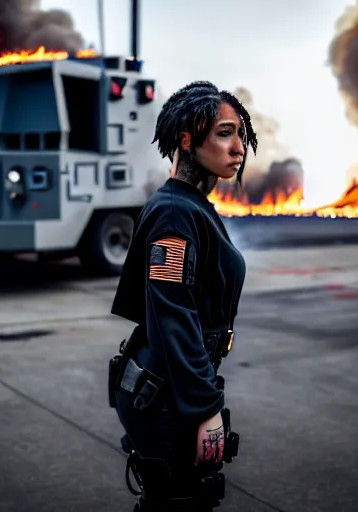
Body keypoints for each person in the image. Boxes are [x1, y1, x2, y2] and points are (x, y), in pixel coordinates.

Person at [108, 81, 258, 511]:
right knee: (180, 503)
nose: (238, 148)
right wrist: (205, 409)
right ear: (187, 140)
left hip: (174, 387)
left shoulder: (193, 206)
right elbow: (171, 314)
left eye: (241, 135)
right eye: (225, 133)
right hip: (166, 396)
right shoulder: (176, 211)